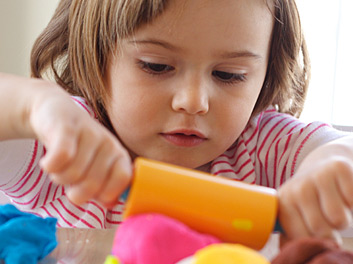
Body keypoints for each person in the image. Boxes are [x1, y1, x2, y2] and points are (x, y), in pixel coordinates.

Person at [0, 0, 352, 244]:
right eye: (156, 66)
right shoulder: (65, 147)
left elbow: (342, 151)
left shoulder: (264, 148)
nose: (193, 101)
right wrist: (35, 106)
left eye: (230, 74)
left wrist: (331, 169)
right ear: (97, 56)